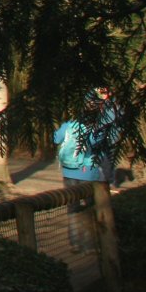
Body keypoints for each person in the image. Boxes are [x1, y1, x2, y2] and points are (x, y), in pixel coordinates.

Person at [54, 90, 117, 253]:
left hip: (68, 172)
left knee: (72, 206)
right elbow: (104, 142)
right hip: (88, 171)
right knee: (90, 206)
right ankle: (90, 245)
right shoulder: (95, 127)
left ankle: (75, 243)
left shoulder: (69, 124)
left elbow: (56, 138)